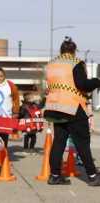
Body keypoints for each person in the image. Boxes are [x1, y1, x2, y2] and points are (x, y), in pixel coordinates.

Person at [44, 37, 100, 186]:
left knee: (59, 143)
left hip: (55, 108)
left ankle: (54, 175)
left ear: (61, 51)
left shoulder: (51, 65)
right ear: (74, 51)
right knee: (82, 143)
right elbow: (82, 84)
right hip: (73, 108)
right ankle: (93, 176)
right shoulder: (75, 63)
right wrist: (96, 81)